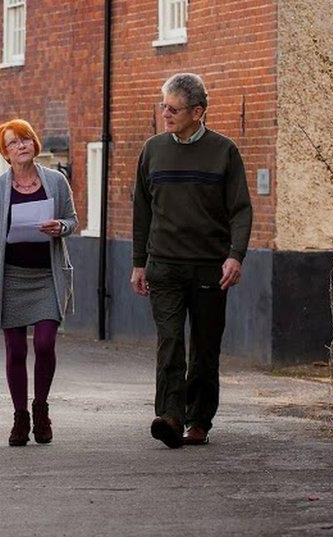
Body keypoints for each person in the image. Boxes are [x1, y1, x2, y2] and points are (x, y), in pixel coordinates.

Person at [131, 73, 253, 449]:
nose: (165, 113)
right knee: (169, 341)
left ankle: (199, 419)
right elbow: (141, 211)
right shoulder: (152, 150)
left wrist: (235, 256)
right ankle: (170, 415)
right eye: (163, 105)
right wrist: (139, 263)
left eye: (173, 108)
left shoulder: (224, 151)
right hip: (164, 265)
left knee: (204, 345)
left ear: (197, 112)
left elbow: (241, 210)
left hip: (209, 268)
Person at [0, 119, 78, 447]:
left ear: (34, 144)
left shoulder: (56, 181)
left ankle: (41, 408)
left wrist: (59, 227)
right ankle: (20, 415)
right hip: (12, 277)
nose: (21, 146)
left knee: (45, 343)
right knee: (16, 349)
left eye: (25, 140)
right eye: (12, 143)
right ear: (5, 154)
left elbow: (72, 220)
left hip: (47, 275)